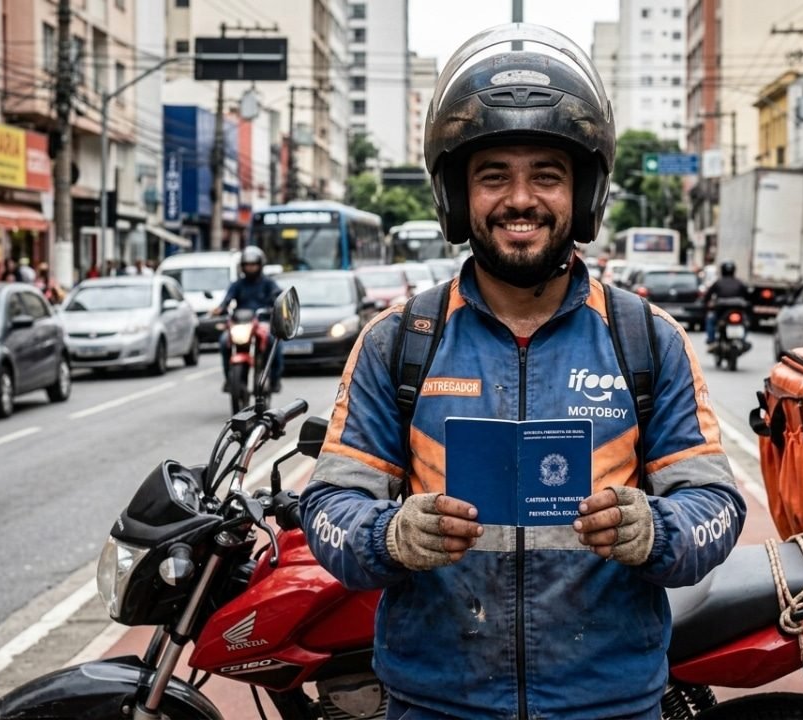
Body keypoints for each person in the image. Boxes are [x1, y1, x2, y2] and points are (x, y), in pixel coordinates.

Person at [299, 25, 746, 720]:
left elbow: (716, 507)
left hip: (610, 706)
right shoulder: (398, 343)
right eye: (492, 176)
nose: (520, 200)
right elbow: (328, 507)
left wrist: (655, 531)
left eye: (546, 174)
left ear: (583, 192)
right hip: (436, 705)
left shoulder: (647, 341)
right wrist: (389, 537)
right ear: (456, 194)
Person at [210, 246, 283, 392]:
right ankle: (229, 379)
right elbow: (227, 300)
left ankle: (274, 379)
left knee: (273, 342)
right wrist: (219, 309)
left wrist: (276, 308)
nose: (250, 268)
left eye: (253, 264)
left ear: (260, 265)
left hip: (262, 322)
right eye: (247, 265)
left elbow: (278, 298)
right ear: (242, 267)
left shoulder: (269, 283)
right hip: (241, 324)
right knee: (225, 342)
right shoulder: (237, 284)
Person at [702, 260, 749, 346]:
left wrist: (706, 304)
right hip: (736, 309)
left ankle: (711, 340)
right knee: (746, 321)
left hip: (721, 310)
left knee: (710, 319)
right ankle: (743, 340)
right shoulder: (739, 282)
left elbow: (708, 296)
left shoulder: (718, 282)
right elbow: (748, 296)